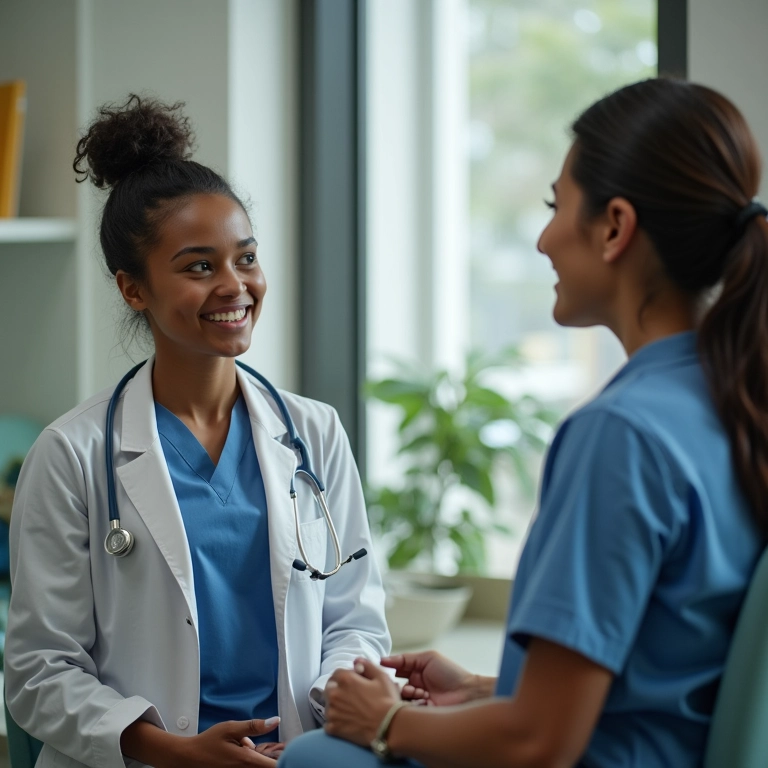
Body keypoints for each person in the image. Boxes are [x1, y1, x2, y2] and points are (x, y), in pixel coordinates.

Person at [278, 77, 768, 768]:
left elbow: (540, 743)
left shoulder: (622, 436)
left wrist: (384, 723)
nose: (542, 239)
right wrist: (488, 688)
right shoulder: (734, 398)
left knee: (316, 758)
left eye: (555, 206)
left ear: (615, 227)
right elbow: (667, 676)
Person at [5, 95, 390, 768]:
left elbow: (353, 618)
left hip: (294, 753)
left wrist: (339, 694)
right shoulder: (71, 454)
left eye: (245, 258)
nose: (235, 286)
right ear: (133, 289)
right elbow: (38, 673)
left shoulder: (314, 432)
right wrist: (171, 749)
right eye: (199, 267)